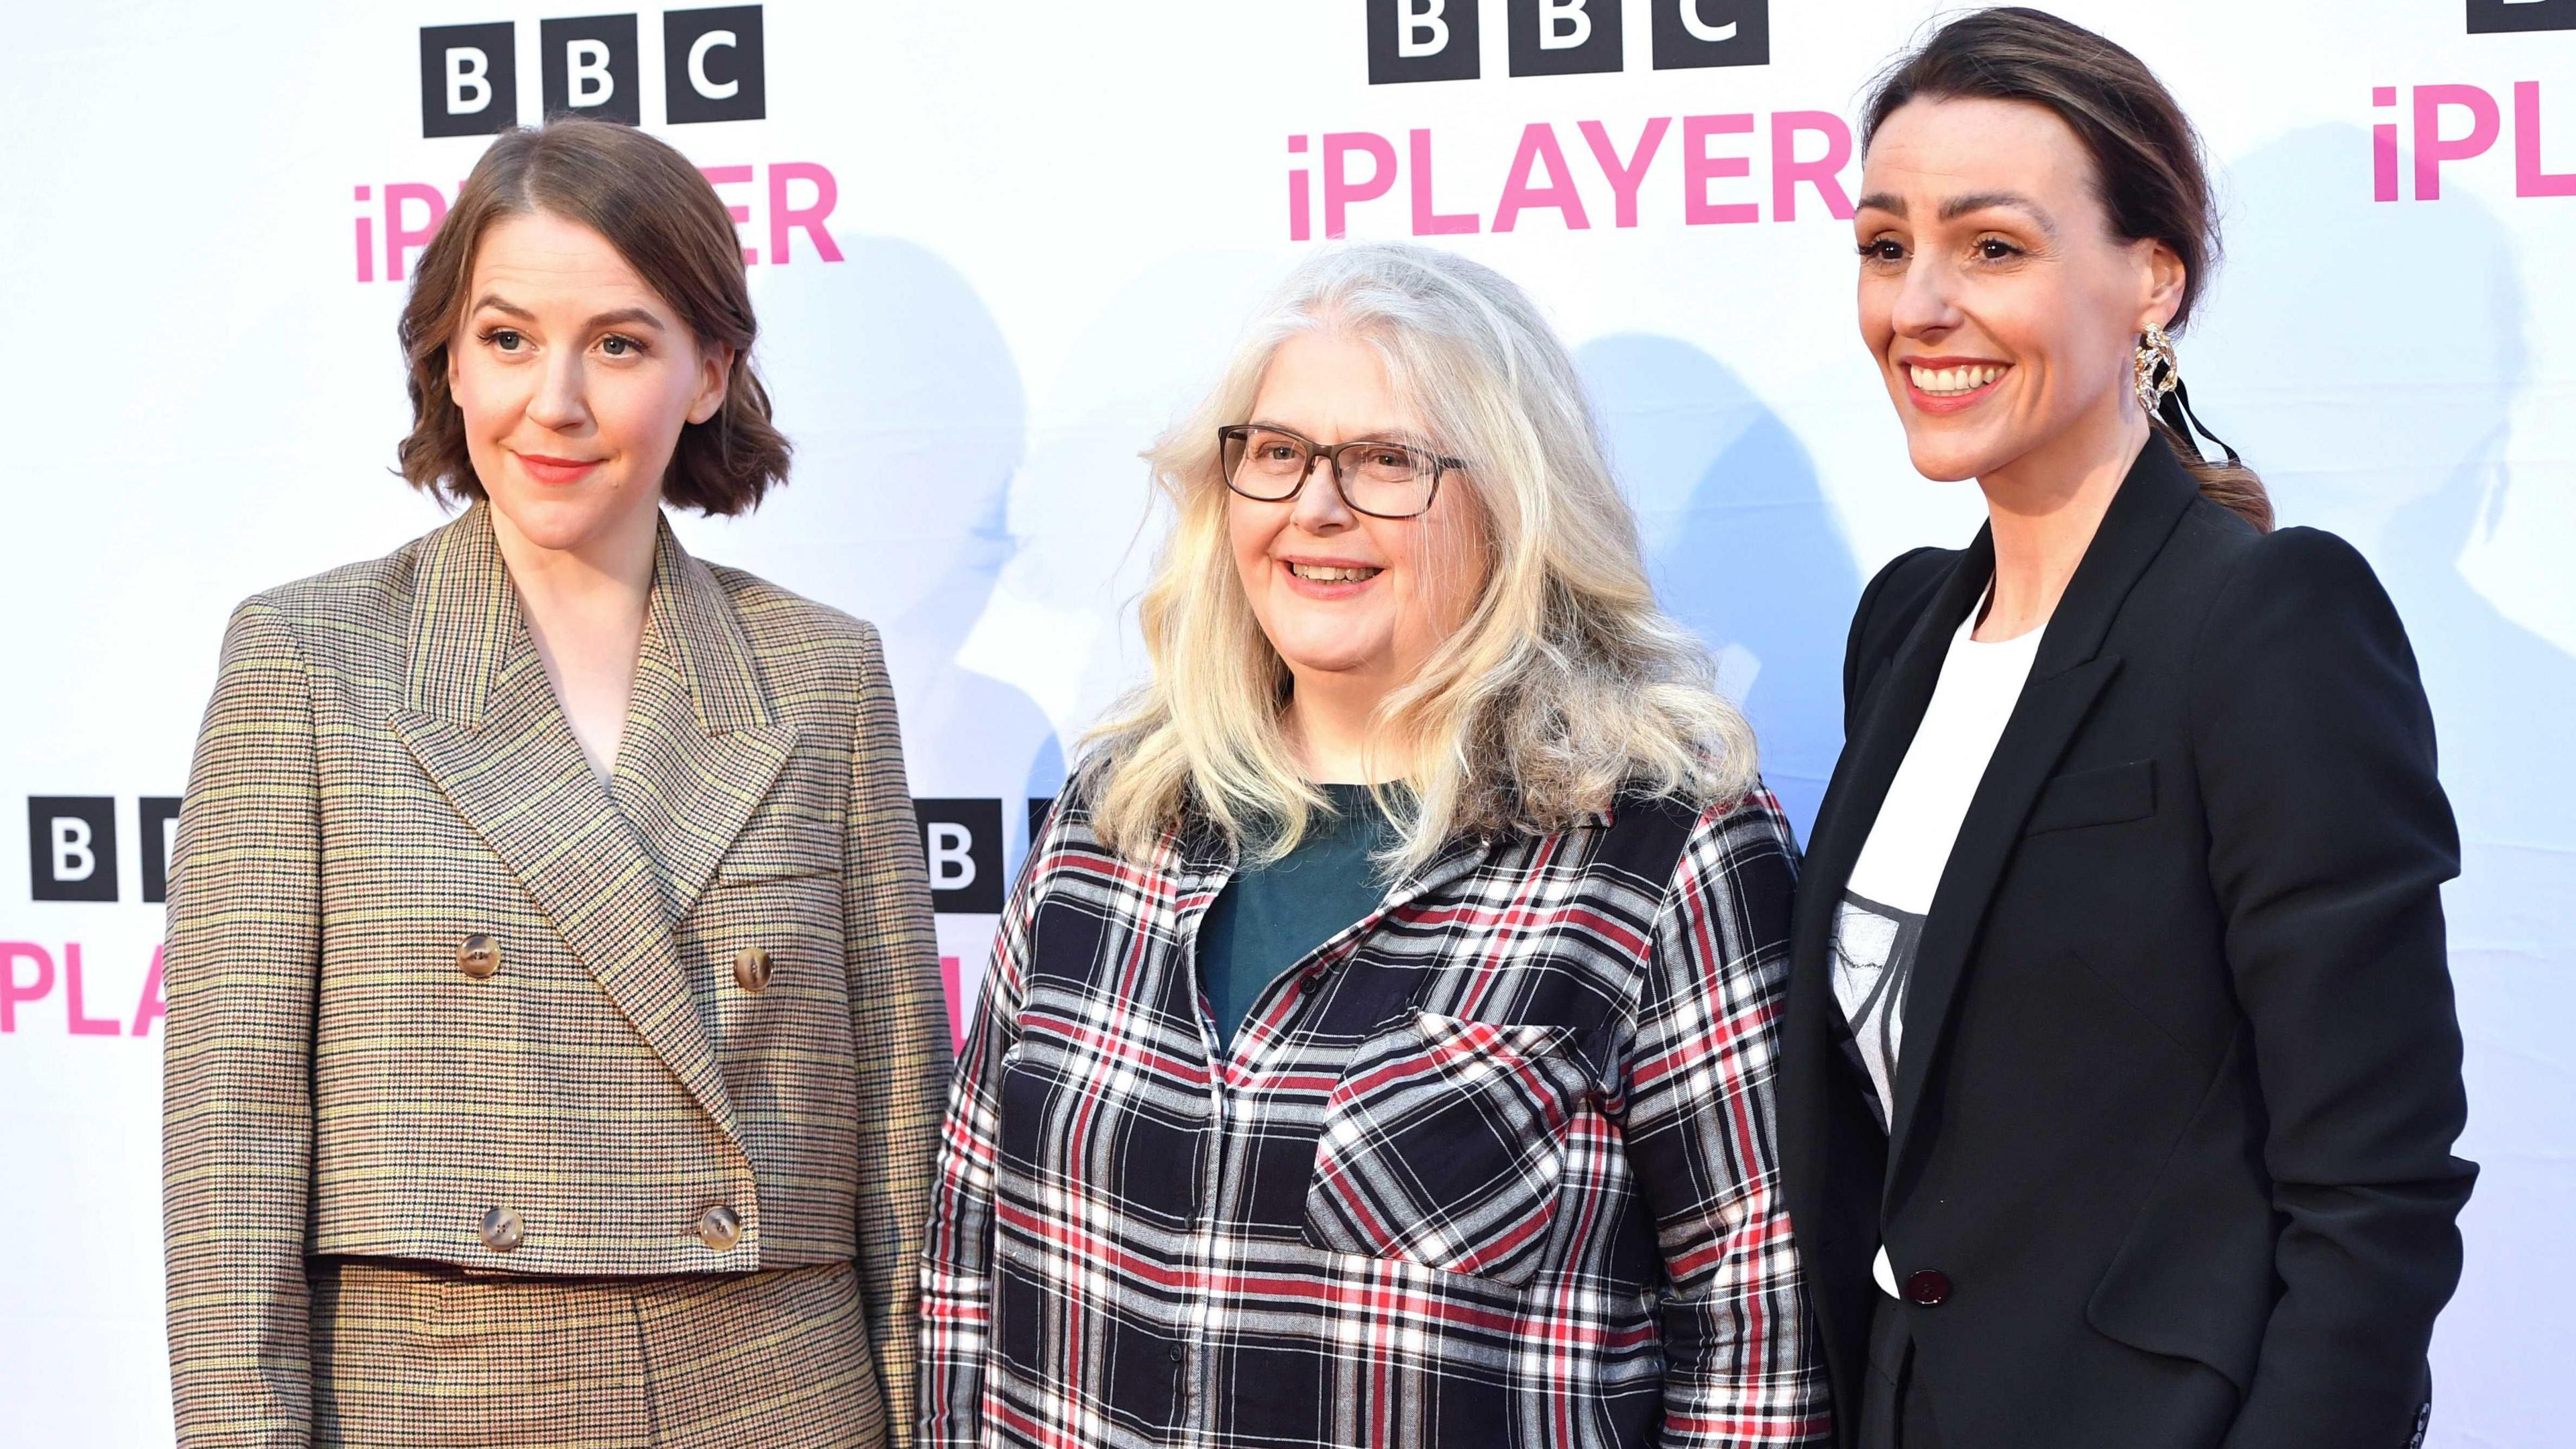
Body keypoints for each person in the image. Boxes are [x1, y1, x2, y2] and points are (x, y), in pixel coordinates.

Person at [916, 243, 1829, 1447]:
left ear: (1515, 503)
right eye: (1278, 453)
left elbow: (1754, 1341)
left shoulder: (1664, 851)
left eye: (1388, 461)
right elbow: (969, 1263)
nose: (1315, 507)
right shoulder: (1114, 812)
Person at [161, 117, 949, 1448]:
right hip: (434, 1392)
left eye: (621, 344)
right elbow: (230, 1155)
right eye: (509, 338)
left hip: (777, 1391)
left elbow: (901, 1148)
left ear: (710, 370)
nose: (557, 402)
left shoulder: (823, 675)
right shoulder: (307, 661)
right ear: (448, 363)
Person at [1777, 11, 2475, 1449]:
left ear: (2150, 280)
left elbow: (2377, 1192)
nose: (1918, 305)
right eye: (1885, 244)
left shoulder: (2270, 622)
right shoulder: (1902, 629)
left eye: (1994, 248)